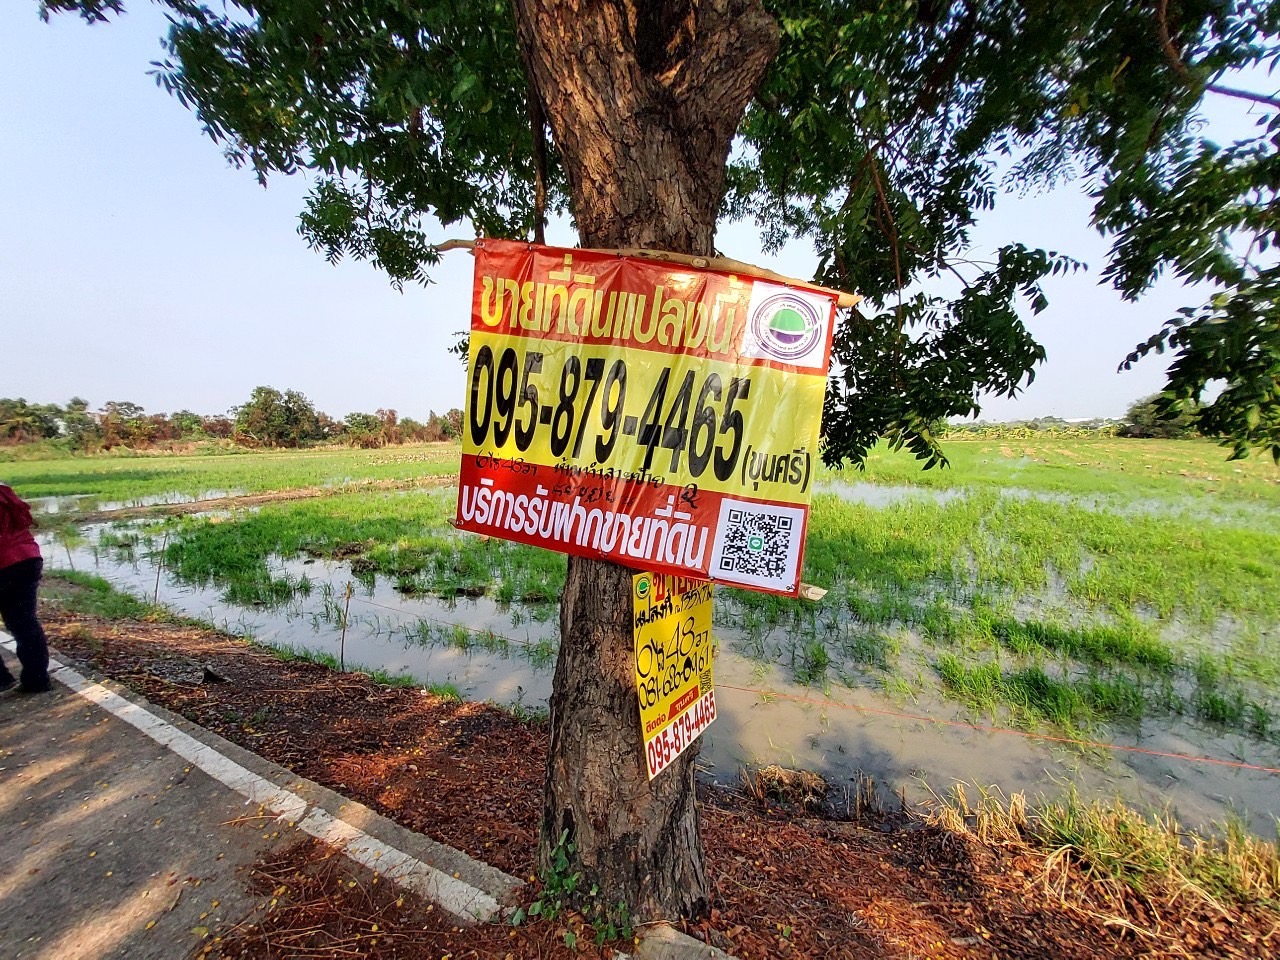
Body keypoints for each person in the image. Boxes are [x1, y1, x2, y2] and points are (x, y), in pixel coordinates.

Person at [0, 483, 50, 694]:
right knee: (25, 623)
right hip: (27, 559)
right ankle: (37, 680)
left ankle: (1, 679)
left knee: (23, 623)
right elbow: (24, 518)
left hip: (3, 563)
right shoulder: (4, 490)